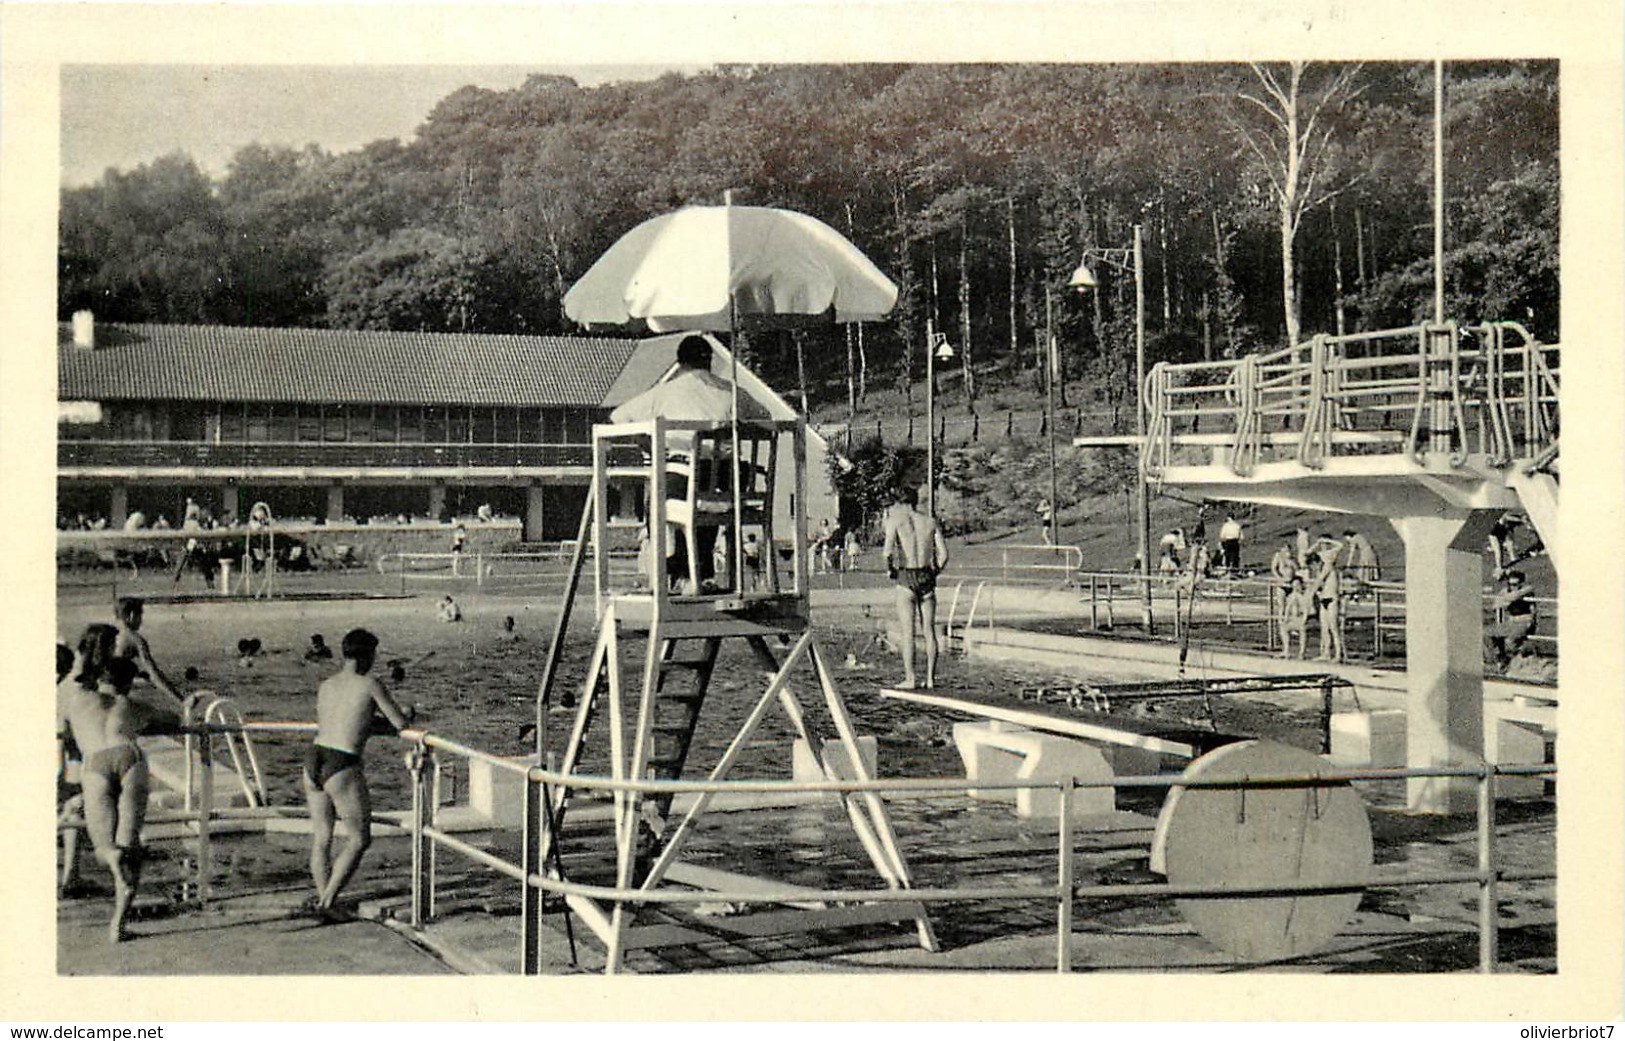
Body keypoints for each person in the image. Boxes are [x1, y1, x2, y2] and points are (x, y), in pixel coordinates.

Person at [608, 334, 771, 593]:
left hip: (683, 477)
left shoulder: (666, 392)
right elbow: (766, 418)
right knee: (706, 500)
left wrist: (651, 447)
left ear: (680, 363)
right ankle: (699, 571)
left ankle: (670, 572)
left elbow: (618, 417)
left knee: (657, 502)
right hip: (727, 487)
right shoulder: (731, 391)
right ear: (710, 363)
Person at [58, 624, 186, 942]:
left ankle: (110, 859)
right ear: (128, 684)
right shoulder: (131, 706)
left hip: (95, 763)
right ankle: (119, 923)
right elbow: (176, 719)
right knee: (131, 844)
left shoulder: (79, 702)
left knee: (105, 848)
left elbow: (63, 727)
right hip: (130, 759)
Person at [302, 628, 414, 918]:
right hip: (342, 762)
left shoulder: (326, 685)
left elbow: (346, 720)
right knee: (359, 839)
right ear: (367, 656)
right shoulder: (370, 683)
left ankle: (324, 897)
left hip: (314, 756)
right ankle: (327, 903)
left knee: (322, 838)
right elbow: (399, 723)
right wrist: (408, 713)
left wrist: (377, 723)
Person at [883, 486, 949, 690]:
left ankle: (910, 679)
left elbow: (887, 553)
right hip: (926, 575)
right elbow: (944, 555)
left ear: (902, 503)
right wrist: (934, 572)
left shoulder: (896, 521)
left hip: (906, 576)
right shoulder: (930, 522)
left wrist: (891, 570)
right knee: (929, 630)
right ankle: (930, 679)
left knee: (908, 632)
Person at [113, 597, 184, 704]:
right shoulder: (135, 640)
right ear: (132, 615)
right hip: (117, 697)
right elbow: (154, 674)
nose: (141, 620)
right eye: (140, 615)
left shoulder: (109, 634)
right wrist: (181, 700)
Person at [1485, 570, 1536, 671]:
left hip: (1525, 621)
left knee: (1510, 641)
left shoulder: (1527, 590)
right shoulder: (1506, 590)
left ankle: (1517, 662)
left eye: (1515, 584)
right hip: (1511, 621)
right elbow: (1495, 605)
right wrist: (1507, 600)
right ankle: (1497, 660)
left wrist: (1506, 598)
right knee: (1486, 633)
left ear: (1521, 583)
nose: (1513, 587)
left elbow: (1514, 596)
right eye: (1510, 584)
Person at [1310, 544, 1345, 662]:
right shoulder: (1320, 570)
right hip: (1324, 600)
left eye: (1314, 566)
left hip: (1332, 600)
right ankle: (1326, 653)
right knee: (1324, 629)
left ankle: (1338, 654)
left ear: (1317, 562)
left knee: (1333, 628)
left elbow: (1318, 582)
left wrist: (1308, 595)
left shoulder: (1328, 567)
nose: (1314, 569)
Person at [1280, 573, 1313, 660]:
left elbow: (1306, 609)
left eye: (1298, 585)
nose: (1296, 587)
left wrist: (1304, 619)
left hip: (1301, 618)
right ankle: (1286, 650)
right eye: (1294, 585)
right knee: (1283, 628)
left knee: (1303, 630)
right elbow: (1288, 608)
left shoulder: (1304, 596)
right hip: (1293, 619)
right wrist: (1286, 618)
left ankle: (1302, 652)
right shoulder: (1291, 596)